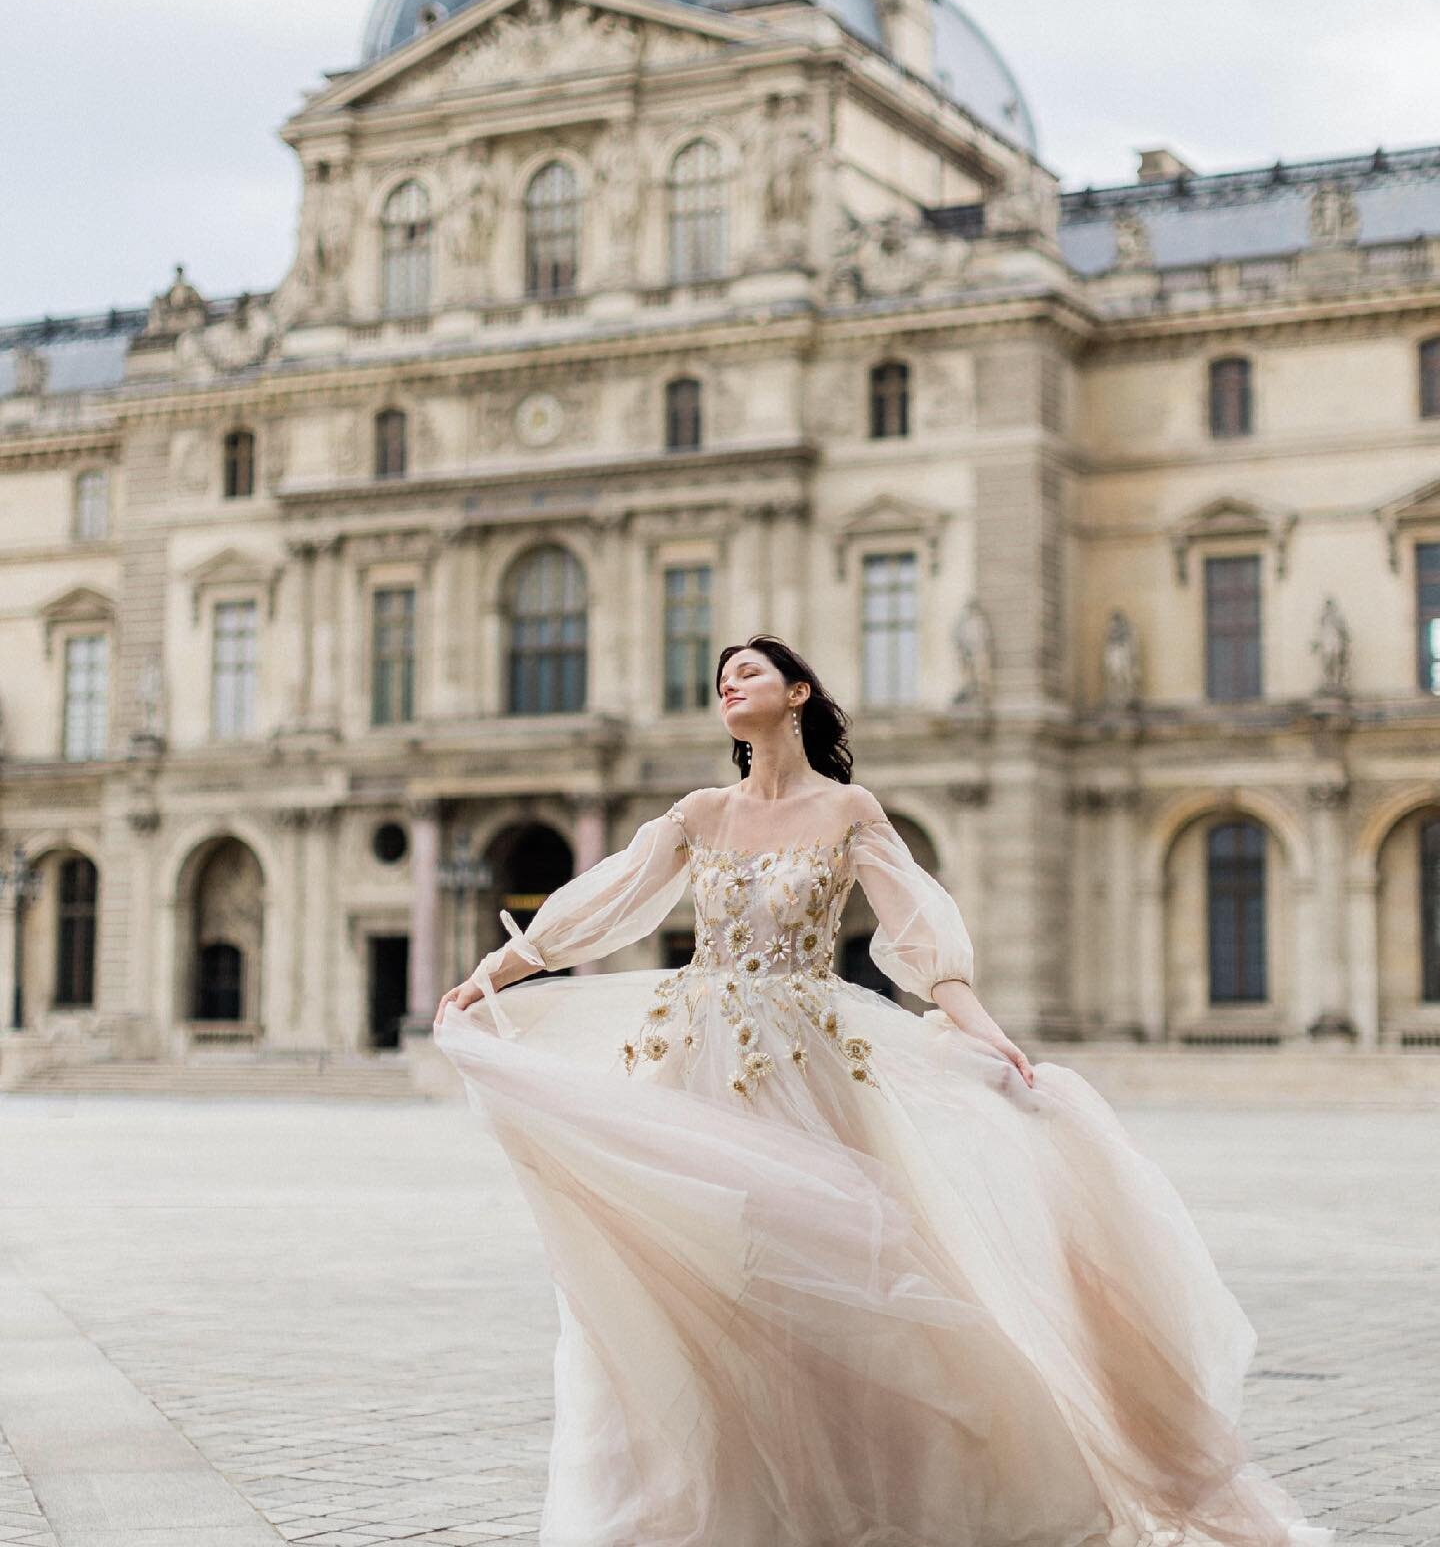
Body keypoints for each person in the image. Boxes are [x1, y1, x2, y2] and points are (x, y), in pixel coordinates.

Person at [434, 635, 1333, 1547]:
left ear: (797, 693)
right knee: (704, 1280)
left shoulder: (849, 809)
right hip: (697, 1066)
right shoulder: (700, 812)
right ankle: (714, 1504)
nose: (726, 685)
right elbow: (603, 899)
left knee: (832, 1282)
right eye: (719, 678)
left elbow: (919, 929)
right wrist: (494, 975)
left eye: (746, 671)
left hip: (810, 1070)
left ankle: (850, 1501)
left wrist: (981, 1026)